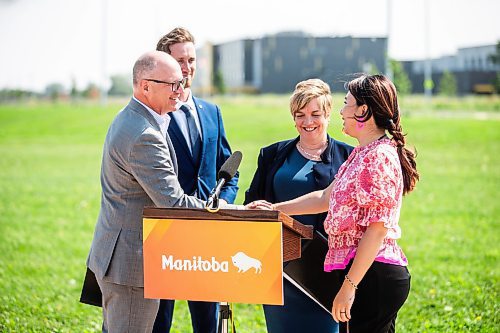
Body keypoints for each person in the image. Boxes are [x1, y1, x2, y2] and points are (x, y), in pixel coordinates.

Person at [248, 74, 419, 333]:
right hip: (361, 274)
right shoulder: (363, 153)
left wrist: (349, 287)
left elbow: (378, 229)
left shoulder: (379, 157)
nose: (341, 110)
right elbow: (325, 197)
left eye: (346, 103)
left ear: (363, 111)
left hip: (373, 277)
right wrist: (273, 209)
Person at [86, 51, 208, 333]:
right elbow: (174, 202)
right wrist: (229, 211)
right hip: (130, 264)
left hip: (120, 256)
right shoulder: (144, 134)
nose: (181, 91)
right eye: (173, 84)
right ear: (145, 86)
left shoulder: (133, 117)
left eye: (182, 82)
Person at [244, 78, 353, 333]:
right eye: (300, 114)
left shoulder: (349, 157)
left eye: (315, 114)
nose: (308, 121)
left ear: (328, 114)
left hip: (329, 269)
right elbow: (253, 201)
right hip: (280, 269)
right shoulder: (272, 155)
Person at [153, 27, 239, 333]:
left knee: (208, 322)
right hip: (162, 232)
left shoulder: (212, 111)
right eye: (180, 60)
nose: (187, 67)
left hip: (207, 233)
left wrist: (224, 202)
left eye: (191, 59)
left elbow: (229, 168)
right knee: (158, 321)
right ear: (164, 63)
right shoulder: (153, 115)